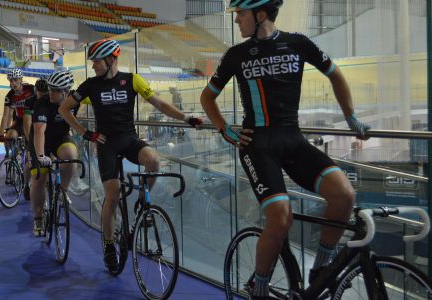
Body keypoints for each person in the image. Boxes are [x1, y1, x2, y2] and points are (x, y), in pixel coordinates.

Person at [199, 1, 371, 298]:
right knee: (280, 218)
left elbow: (335, 74)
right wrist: (224, 129)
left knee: (344, 195)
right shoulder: (237, 55)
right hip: (258, 146)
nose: (237, 20)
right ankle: (260, 286)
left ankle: (321, 269)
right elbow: (207, 97)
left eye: (241, 14)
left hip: (294, 140)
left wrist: (350, 117)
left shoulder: (298, 43)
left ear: (260, 14)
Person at [58, 39, 204, 273]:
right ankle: (107, 246)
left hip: (128, 139)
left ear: (110, 60)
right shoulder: (89, 86)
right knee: (112, 195)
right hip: (106, 144)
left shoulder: (132, 80)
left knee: (154, 161)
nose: (94, 66)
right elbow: (64, 109)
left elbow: (160, 104)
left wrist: (186, 119)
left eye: (96, 62)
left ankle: (141, 205)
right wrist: (85, 133)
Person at [28, 71, 80, 237]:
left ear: (65, 92)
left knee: (71, 156)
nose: (50, 92)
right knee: (40, 177)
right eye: (50, 89)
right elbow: (39, 130)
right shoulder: (43, 103)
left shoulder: (74, 101)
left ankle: (62, 192)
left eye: (55, 90)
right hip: (40, 140)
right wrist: (42, 156)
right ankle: (37, 218)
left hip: (60, 138)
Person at [0, 68, 35, 198]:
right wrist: (1, 134)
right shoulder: (9, 96)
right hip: (19, 120)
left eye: (15, 80)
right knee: (10, 136)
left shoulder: (31, 89)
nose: (13, 83)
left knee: (29, 141)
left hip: (32, 119)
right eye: (10, 80)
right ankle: (11, 158)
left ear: (21, 80)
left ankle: (23, 158)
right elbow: (5, 115)